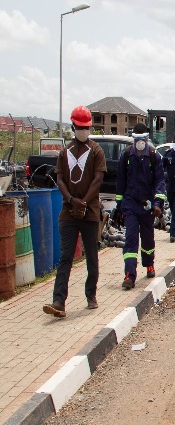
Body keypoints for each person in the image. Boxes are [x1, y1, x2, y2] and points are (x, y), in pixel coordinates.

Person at [43, 106, 107, 318]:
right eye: (80, 127)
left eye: (86, 127)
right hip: (68, 212)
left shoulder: (96, 150)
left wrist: (85, 202)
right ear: (73, 127)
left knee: (92, 256)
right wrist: (71, 200)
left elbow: (98, 180)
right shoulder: (65, 152)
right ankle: (59, 301)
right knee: (66, 257)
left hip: (90, 212)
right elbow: (60, 179)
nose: (83, 130)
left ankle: (91, 295)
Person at [115, 123, 166, 289]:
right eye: (136, 139)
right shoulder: (127, 155)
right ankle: (130, 275)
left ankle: (149, 264)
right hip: (130, 203)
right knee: (130, 240)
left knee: (148, 239)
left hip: (147, 205)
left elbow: (159, 181)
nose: (139, 143)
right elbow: (121, 181)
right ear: (133, 138)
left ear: (147, 138)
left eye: (142, 139)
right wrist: (119, 205)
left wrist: (158, 204)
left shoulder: (154, 156)